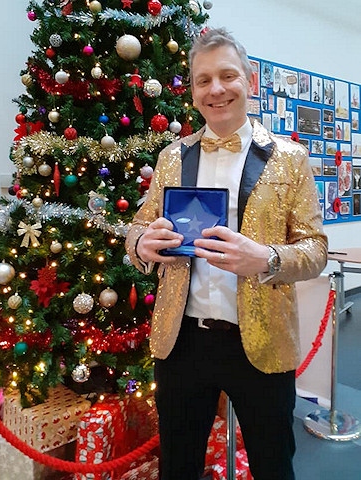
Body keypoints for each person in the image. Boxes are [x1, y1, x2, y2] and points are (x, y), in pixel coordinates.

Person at [125, 27, 328, 480]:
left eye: (227, 76)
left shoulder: (290, 159)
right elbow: (138, 226)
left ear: (250, 82)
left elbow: (315, 250)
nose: (216, 89)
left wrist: (267, 259)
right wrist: (142, 244)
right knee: (178, 465)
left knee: (273, 464)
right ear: (193, 91)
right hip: (181, 340)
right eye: (203, 80)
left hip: (260, 342)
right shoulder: (171, 157)